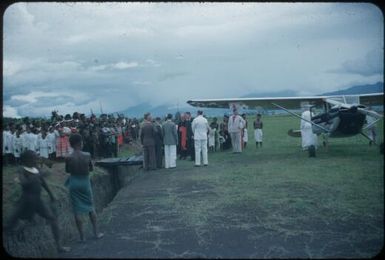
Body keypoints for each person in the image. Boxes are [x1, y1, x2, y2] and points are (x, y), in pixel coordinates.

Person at [5, 150, 70, 253]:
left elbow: (43, 182)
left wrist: (51, 194)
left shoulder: (36, 168)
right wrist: (37, 176)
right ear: (26, 160)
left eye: (36, 158)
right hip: (26, 201)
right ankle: (15, 240)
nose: (37, 160)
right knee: (12, 223)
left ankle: (59, 246)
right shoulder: (22, 170)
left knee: (52, 219)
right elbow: (24, 183)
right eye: (34, 158)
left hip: (38, 201)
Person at [65, 133, 104, 242]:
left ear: (71, 144)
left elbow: (67, 170)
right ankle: (96, 233)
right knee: (91, 208)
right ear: (80, 143)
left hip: (73, 182)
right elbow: (91, 169)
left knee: (77, 211)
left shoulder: (68, 157)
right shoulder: (87, 155)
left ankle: (82, 237)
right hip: (85, 182)